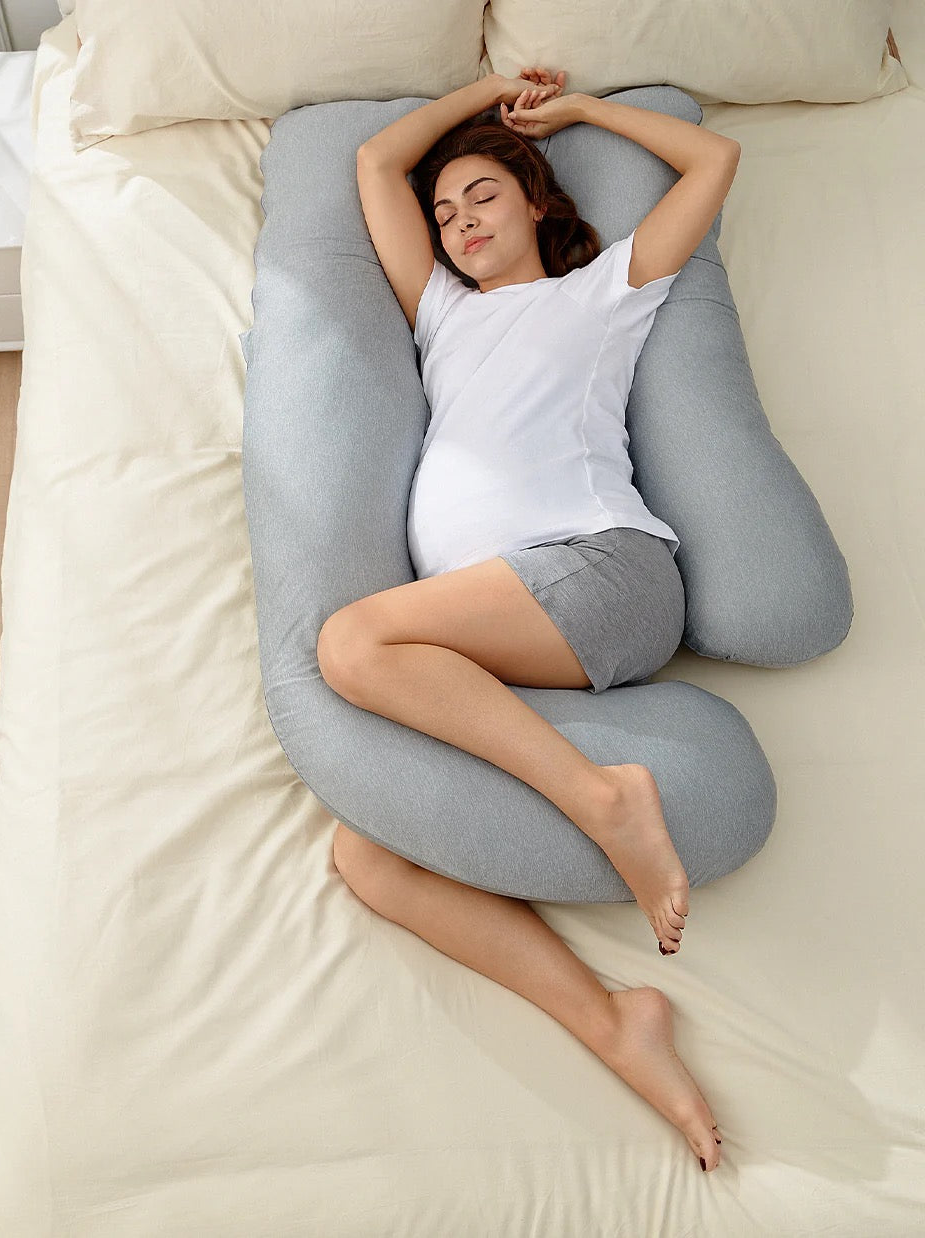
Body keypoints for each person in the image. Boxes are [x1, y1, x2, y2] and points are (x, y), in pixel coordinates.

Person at [318, 68, 740, 1173]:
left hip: (602, 574)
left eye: (484, 196)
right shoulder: (442, 314)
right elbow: (374, 163)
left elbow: (714, 162)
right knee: (368, 853)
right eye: (446, 211)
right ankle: (613, 1023)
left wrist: (578, 111)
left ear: (538, 204)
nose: (460, 221)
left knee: (353, 641)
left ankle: (606, 800)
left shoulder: (601, 291)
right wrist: (482, 88)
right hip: (507, 638)